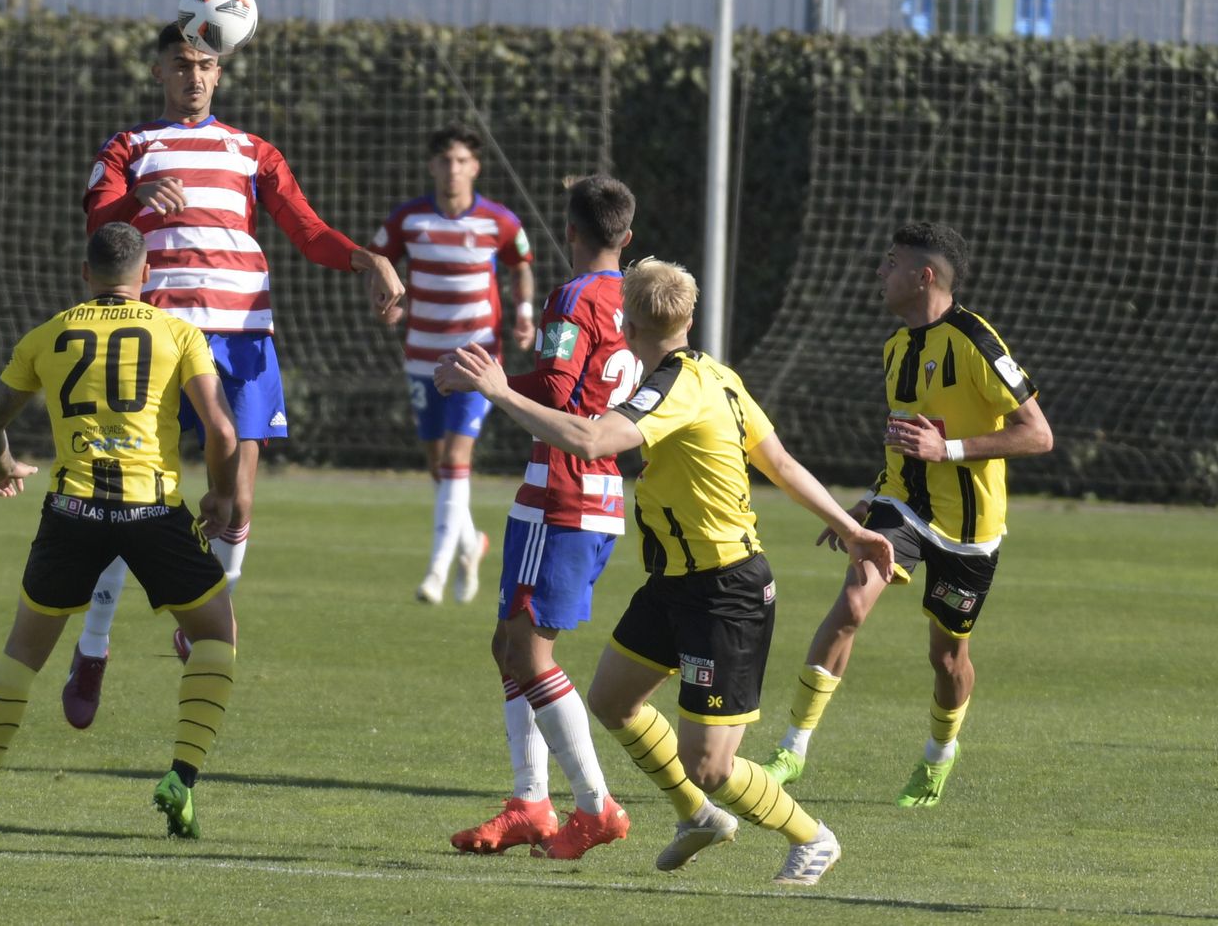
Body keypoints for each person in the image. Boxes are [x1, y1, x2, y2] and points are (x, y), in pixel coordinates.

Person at [437, 257, 894, 886]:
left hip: (725, 590)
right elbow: (782, 464)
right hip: (675, 583)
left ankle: (812, 837)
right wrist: (852, 527)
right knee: (611, 700)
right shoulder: (719, 376)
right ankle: (697, 817)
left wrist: (500, 391)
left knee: (710, 765)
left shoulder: (674, 386)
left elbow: (591, 442)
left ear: (625, 325)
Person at [59, 22, 405, 728]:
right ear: (158, 71)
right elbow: (101, 227)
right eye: (181, 63)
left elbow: (307, 229)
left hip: (243, 337)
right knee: (128, 499)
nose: (193, 75)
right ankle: (92, 646)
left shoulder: (252, 151)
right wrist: (138, 198)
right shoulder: (130, 147)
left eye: (205, 64)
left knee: (238, 502)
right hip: (157, 336)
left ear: (220, 72)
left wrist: (368, 260)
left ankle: (206, 618)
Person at [0, 222, 241, 837]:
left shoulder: (48, 335)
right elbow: (221, 430)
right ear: (147, 276)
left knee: (22, 654)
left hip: (72, 511)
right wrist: (220, 494)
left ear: (86, 273)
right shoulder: (177, 333)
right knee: (217, 636)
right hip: (152, 511)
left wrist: (3, 465)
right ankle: (181, 779)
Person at [761, 222, 1052, 808]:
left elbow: (1038, 435)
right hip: (905, 507)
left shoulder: (975, 342)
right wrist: (873, 499)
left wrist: (949, 450)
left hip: (970, 530)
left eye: (891, 262)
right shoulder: (896, 347)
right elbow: (905, 442)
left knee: (947, 657)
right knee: (852, 602)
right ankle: (792, 749)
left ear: (924, 276)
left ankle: (940, 754)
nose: (880, 271)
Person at [446, 174, 637, 860]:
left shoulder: (574, 296)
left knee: (528, 652)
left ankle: (595, 804)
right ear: (627, 236)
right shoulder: (635, 299)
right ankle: (530, 803)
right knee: (508, 644)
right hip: (600, 491)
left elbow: (558, 391)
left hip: (561, 491)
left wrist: (489, 385)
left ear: (570, 232)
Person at [369, 124, 535, 604]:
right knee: (438, 465)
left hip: (476, 360)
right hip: (422, 357)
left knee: (458, 459)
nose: (453, 169)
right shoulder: (409, 219)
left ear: (475, 167)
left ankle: (436, 573)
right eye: (445, 161)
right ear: (432, 166)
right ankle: (472, 543)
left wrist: (524, 314)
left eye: (462, 161)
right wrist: (384, 301)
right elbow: (378, 261)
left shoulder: (499, 220)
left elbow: (521, 266)